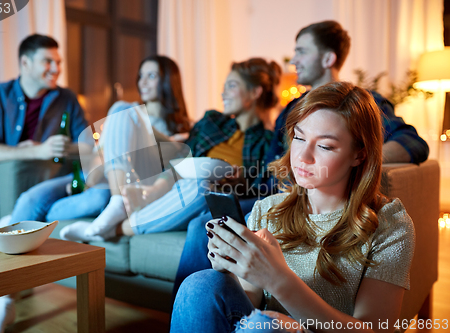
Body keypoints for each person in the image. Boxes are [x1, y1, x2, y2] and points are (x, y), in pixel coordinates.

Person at [170, 20, 429, 304]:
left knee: (199, 225)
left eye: (301, 51)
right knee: (204, 275)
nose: (293, 61)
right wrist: (245, 181)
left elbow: (413, 142)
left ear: (328, 58)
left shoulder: (360, 104)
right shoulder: (294, 107)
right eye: (300, 138)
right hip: (271, 197)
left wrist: (353, 162)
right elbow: (275, 164)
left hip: (306, 195)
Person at [171, 81, 415, 333]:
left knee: (263, 326)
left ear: (359, 154)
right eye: (299, 137)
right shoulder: (267, 210)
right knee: (201, 284)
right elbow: (251, 299)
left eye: (324, 146)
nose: (302, 156)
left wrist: (279, 282)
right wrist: (235, 266)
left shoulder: (389, 224)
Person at [60, 57, 281, 242]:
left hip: (201, 191)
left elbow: (259, 187)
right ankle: (118, 201)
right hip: (171, 179)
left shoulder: (267, 142)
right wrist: (158, 185)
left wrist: (240, 180)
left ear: (255, 93)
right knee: (122, 109)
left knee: (202, 188)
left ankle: (111, 230)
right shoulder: (213, 122)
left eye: (232, 86)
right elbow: (183, 157)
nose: (223, 92)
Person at [4, 55, 191, 232]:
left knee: (97, 199)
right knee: (30, 199)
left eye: (151, 76)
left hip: (116, 182)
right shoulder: (129, 115)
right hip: (92, 175)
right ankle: (11, 224)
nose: (142, 82)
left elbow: (176, 163)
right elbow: (94, 167)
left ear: (168, 81)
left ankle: (21, 221)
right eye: (140, 75)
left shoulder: (184, 131)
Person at [0, 34, 87, 232]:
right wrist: (38, 151)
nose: (57, 69)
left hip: (6, 187)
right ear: (25, 62)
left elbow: (86, 146)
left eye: (58, 62)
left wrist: (63, 149)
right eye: (48, 61)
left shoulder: (66, 99)